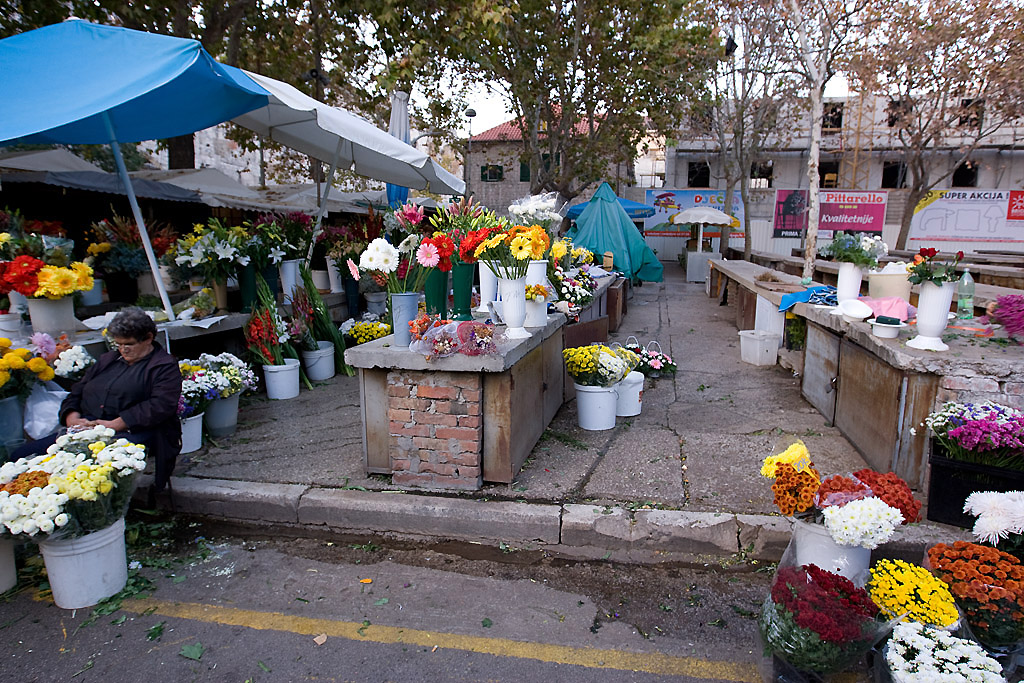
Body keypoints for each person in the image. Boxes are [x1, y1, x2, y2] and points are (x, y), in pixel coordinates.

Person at [10, 308, 182, 499]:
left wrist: (116, 423)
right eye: (119, 344)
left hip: (134, 430)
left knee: (83, 464)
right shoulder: (109, 360)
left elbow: (160, 406)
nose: (123, 349)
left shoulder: (163, 366)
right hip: (87, 426)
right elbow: (77, 391)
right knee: (22, 456)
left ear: (148, 338)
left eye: (129, 344)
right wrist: (72, 416)